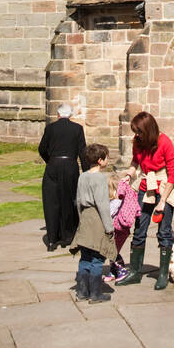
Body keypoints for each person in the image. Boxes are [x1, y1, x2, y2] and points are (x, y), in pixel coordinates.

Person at [118, 111, 174, 291]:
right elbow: (135, 162)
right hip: (146, 185)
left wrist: (163, 201)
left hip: (164, 186)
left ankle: (162, 274)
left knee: (164, 231)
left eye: (139, 132)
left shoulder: (164, 142)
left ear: (148, 130)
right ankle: (135, 272)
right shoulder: (137, 142)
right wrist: (129, 174)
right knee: (139, 228)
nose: (136, 135)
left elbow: (173, 173)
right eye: (135, 132)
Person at [70, 142, 116, 302]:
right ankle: (95, 294)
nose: (107, 160)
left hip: (85, 218)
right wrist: (109, 227)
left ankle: (82, 292)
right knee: (97, 257)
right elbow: (102, 205)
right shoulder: (100, 179)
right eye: (106, 158)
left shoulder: (83, 176)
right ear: (100, 160)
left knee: (85, 257)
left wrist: (81, 220)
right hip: (96, 218)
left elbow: (77, 200)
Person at [38, 104, 88, 250]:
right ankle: (69, 236)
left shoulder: (50, 128)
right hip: (70, 166)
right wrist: (85, 171)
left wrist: (51, 160)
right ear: (70, 115)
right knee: (70, 199)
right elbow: (82, 151)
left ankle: (52, 239)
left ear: (58, 114)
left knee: (52, 201)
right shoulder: (77, 129)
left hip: (53, 165)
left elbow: (42, 148)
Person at [103, 173, 140, 285]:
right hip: (119, 230)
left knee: (113, 251)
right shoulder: (117, 200)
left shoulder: (116, 201)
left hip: (118, 230)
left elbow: (109, 214)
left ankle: (121, 269)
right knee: (113, 250)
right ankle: (113, 271)